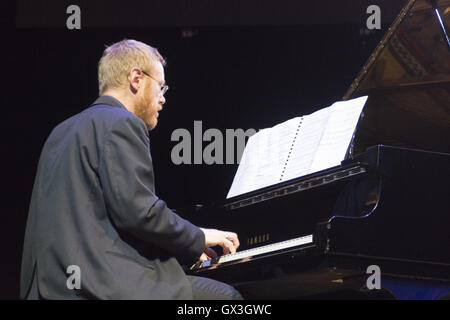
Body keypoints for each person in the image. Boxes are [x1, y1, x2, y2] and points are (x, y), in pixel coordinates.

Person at [20, 39, 242, 300]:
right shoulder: (122, 123)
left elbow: (96, 221)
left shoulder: (60, 131)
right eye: (161, 87)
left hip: (49, 288)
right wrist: (198, 236)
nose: (162, 99)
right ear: (136, 78)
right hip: (101, 286)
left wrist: (176, 249)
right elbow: (139, 213)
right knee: (227, 299)